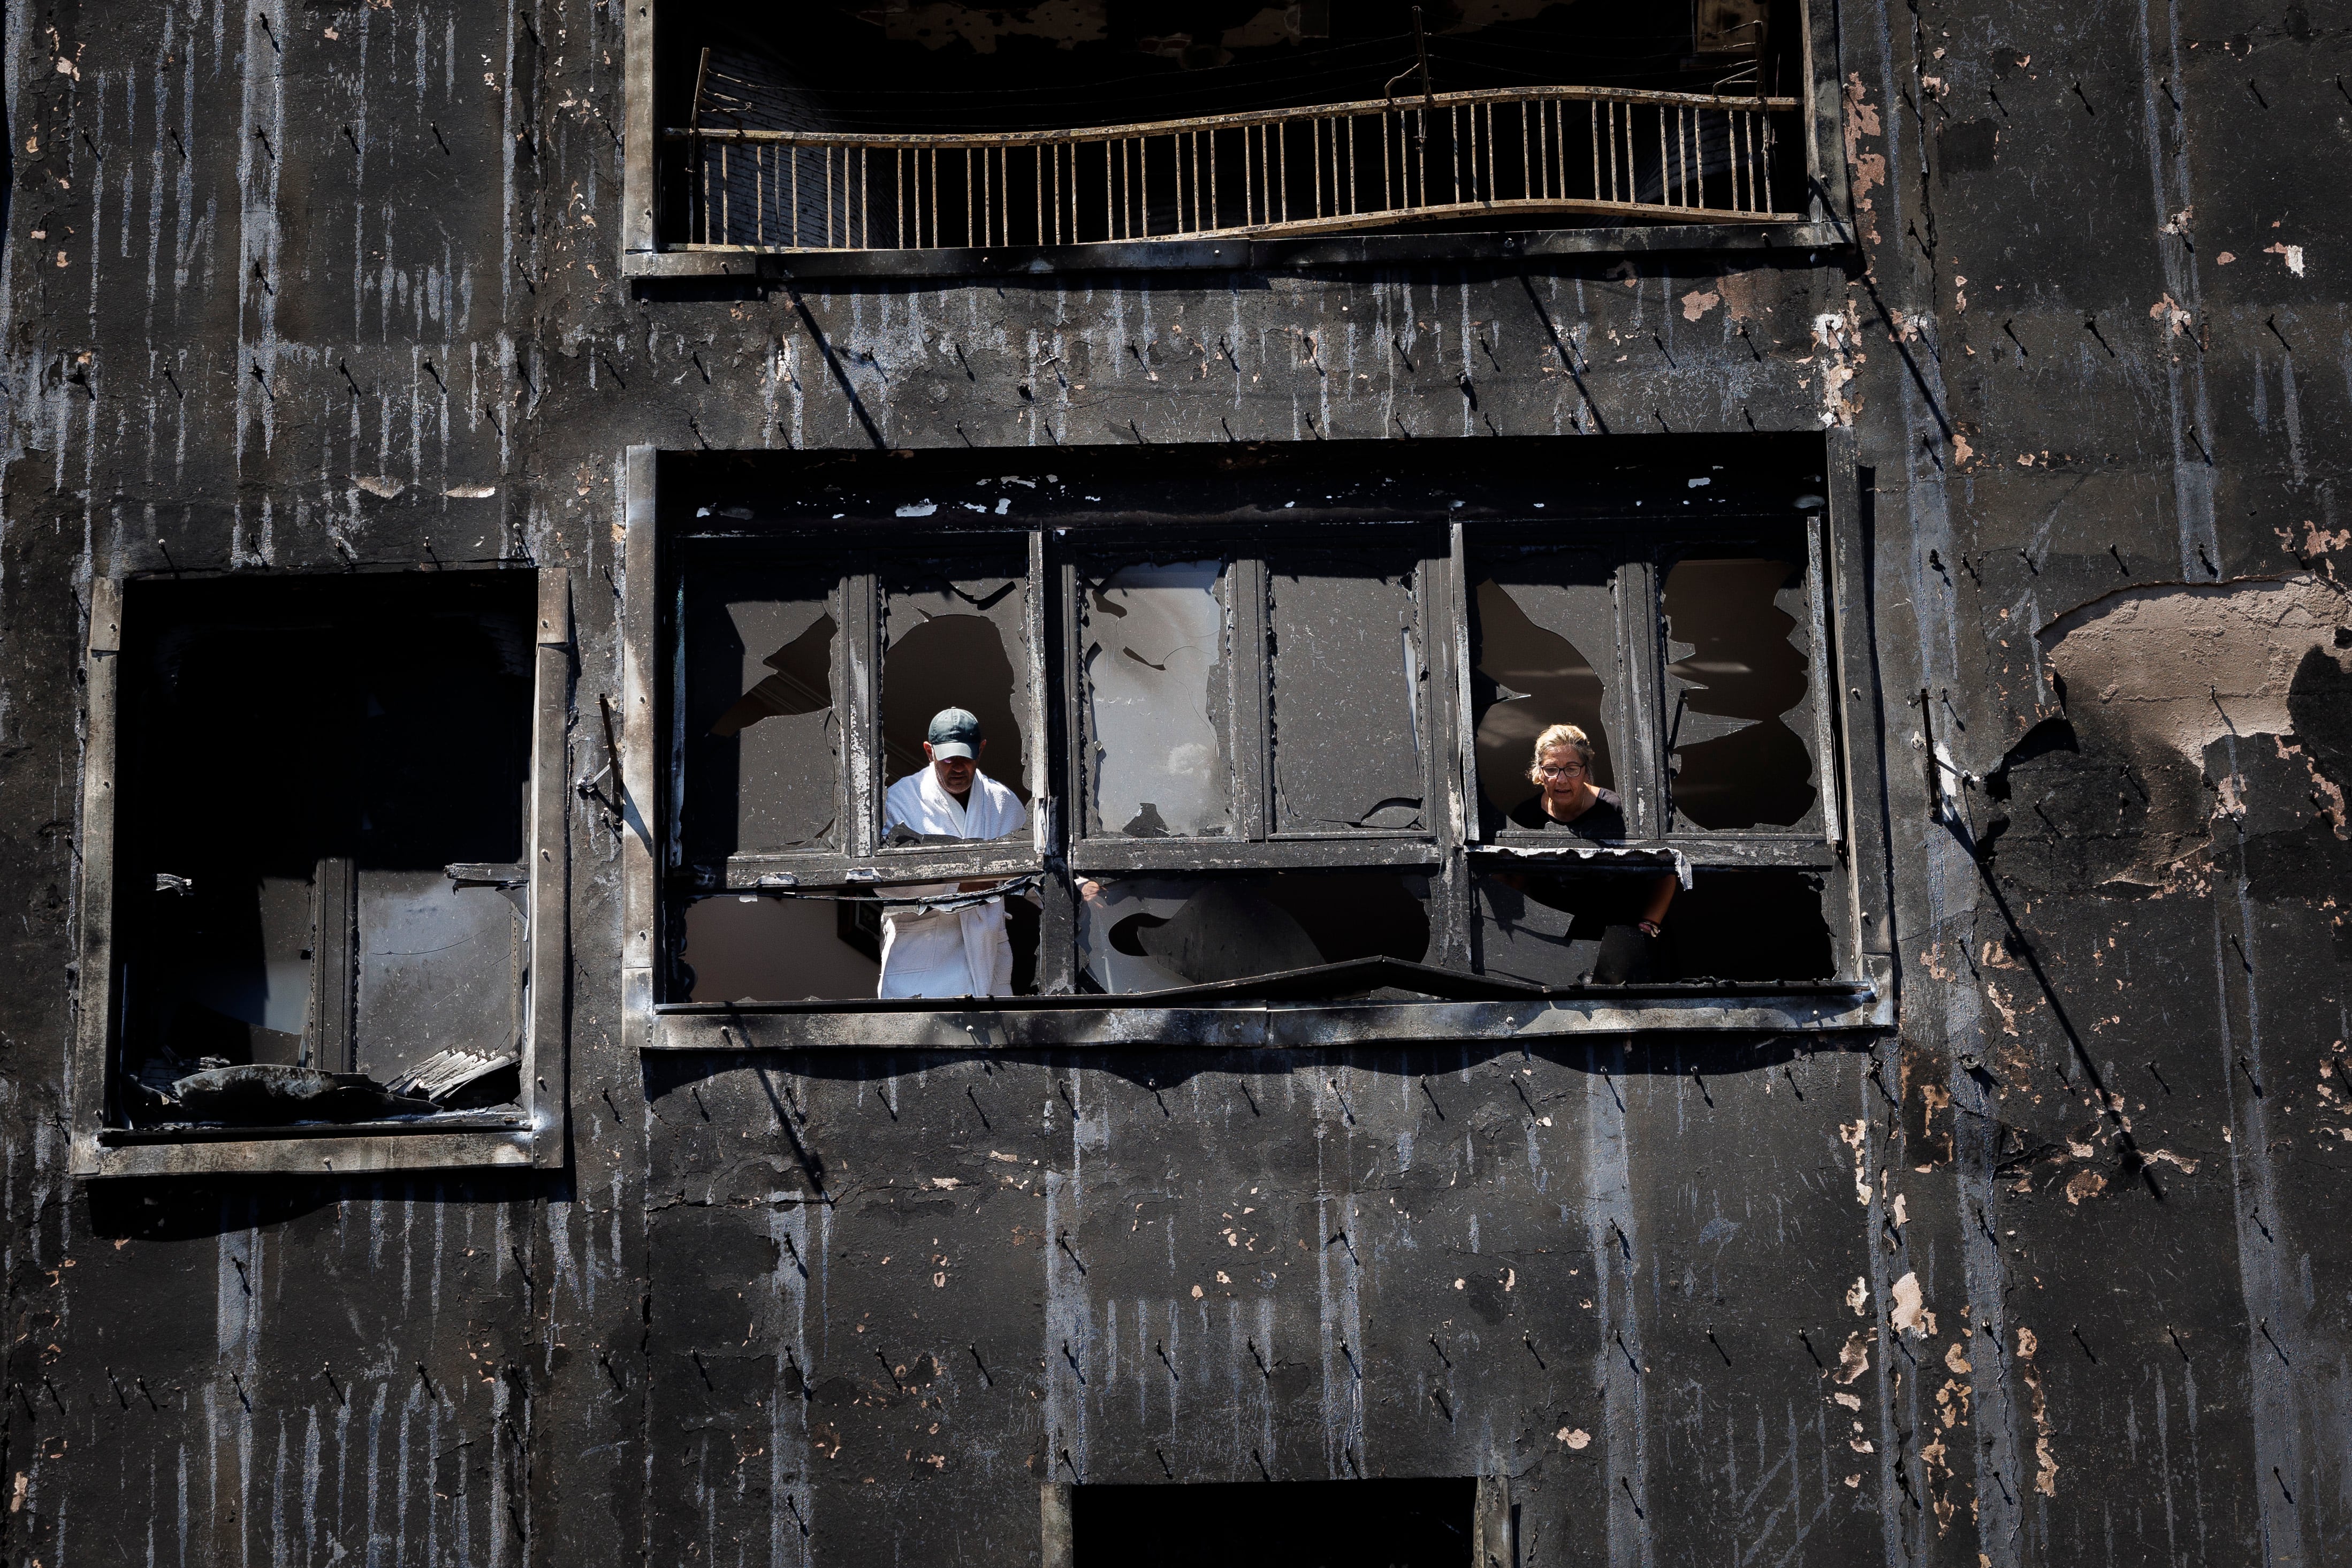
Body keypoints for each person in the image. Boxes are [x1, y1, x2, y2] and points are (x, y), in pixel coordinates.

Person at [876, 707, 1028, 998]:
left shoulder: (1002, 802)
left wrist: (1079, 888)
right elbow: (886, 882)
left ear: (981, 750)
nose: (958, 768)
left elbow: (1035, 871)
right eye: (948, 759)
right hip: (921, 963)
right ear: (929, 751)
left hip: (986, 958)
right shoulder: (901, 799)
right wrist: (956, 885)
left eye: (966, 758)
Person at [1506, 722, 1673, 983]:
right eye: (1552, 769)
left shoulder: (1615, 811)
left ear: (1586, 772)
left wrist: (1647, 927)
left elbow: (1665, 870)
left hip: (1613, 940)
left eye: (1572, 769)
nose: (1561, 779)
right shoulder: (1526, 817)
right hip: (1550, 943)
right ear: (1539, 773)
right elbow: (1510, 880)